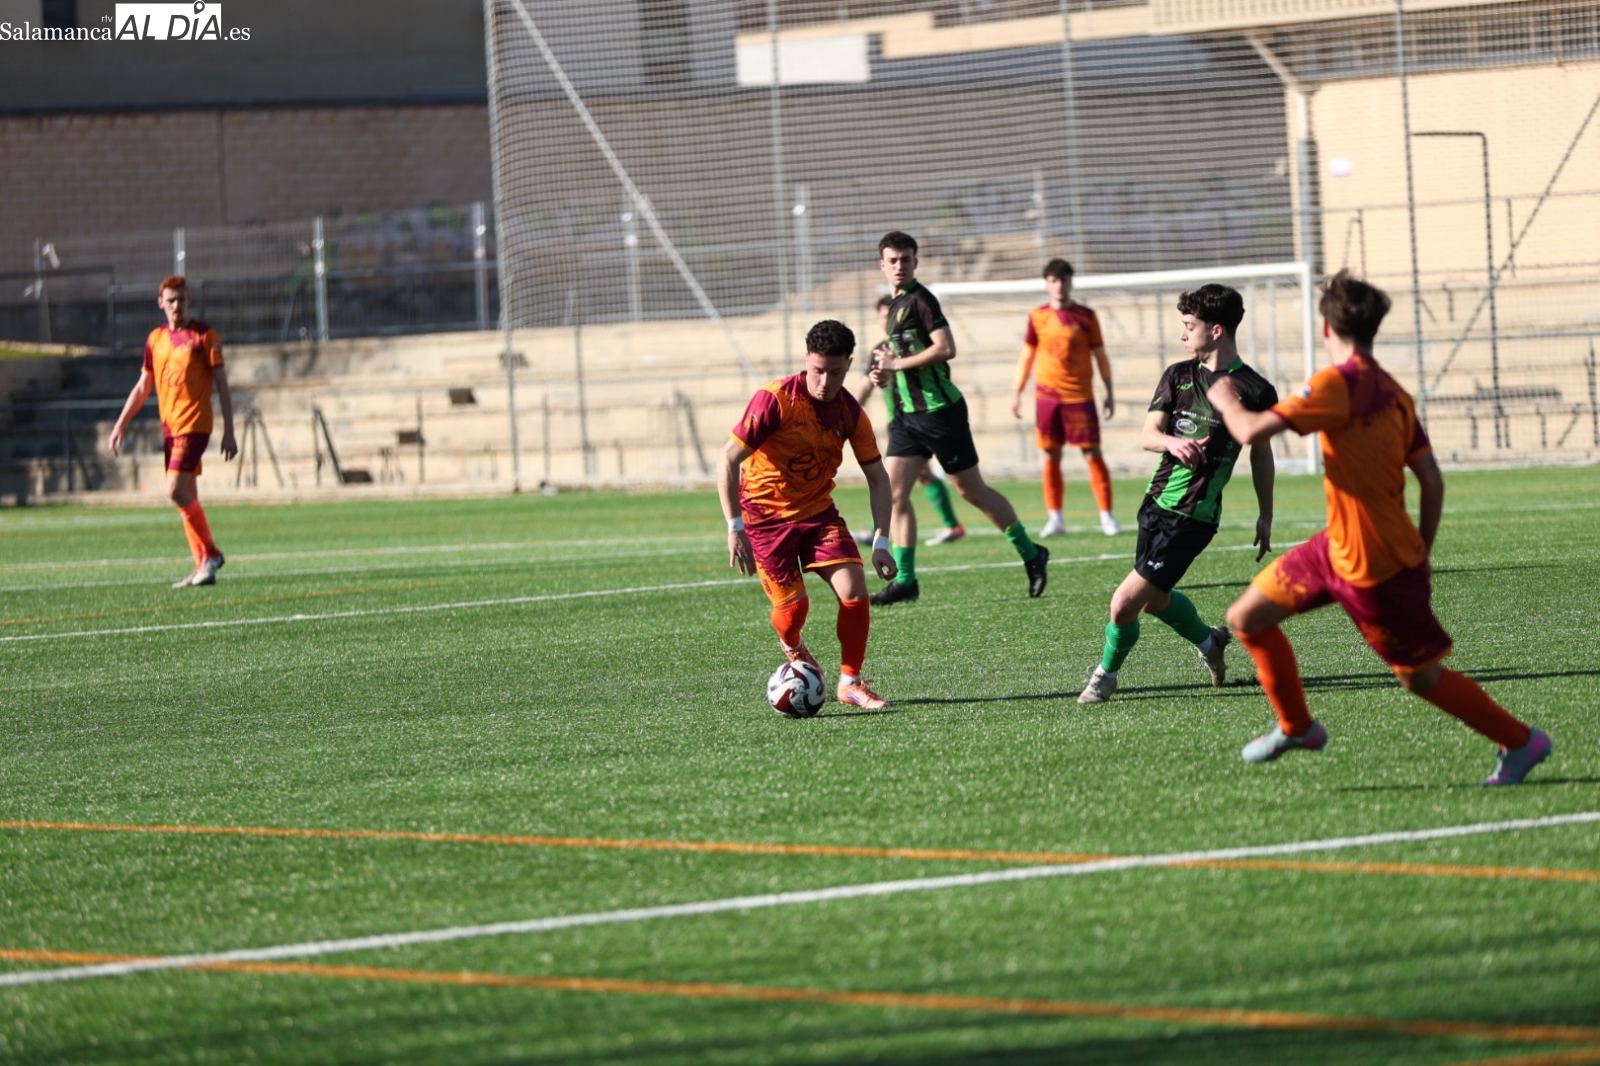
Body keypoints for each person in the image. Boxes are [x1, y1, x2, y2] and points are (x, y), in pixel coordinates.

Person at [1207, 270, 1551, 785]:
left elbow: (1251, 428)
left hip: (1377, 568)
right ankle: (1298, 727)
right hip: (1337, 549)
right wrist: (1422, 548)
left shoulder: (1336, 384)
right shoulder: (1395, 392)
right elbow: (1431, 480)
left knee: (1421, 679)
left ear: (1327, 327)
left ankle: (1522, 741)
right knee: (1247, 617)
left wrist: (1225, 397)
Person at [1078, 284, 1275, 705]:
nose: (1182, 334)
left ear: (1216, 330)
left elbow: (1261, 453)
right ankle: (1209, 641)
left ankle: (1104, 678)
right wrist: (1172, 443)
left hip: (1193, 518)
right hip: (1155, 504)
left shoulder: (1255, 390)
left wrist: (1266, 514)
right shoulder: (1177, 375)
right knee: (1154, 601)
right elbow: (1148, 434)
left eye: (1189, 326)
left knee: (1123, 604)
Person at [720, 319, 897, 710]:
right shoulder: (775, 399)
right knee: (793, 611)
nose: (825, 381)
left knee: (855, 592)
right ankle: (793, 646)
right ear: (806, 360)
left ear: (848, 365)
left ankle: (850, 682)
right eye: (818, 370)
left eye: (835, 372)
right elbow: (728, 459)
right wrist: (735, 527)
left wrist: (881, 540)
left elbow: (879, 478)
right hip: (765, 518)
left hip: (818, 514)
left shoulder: (850, 412)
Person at [869, 231, 1049, 605]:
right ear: (882, 265)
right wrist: (885, 374)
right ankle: (906, 581)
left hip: (940, 413)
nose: (900, 266)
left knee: (971, 490)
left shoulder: (921, 300)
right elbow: (903, 360)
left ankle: (1032, 553)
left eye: (906, 259)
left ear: (915, 262)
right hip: (907, 417)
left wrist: (897, 364)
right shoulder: (895, 305)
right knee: (894, 493)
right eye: (893, 260)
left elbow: (946, 347)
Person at [107, 275, 236, 588]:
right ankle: (201, 566)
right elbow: (143, 386)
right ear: (160, 303)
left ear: (188, 299)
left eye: (181, 299)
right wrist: (120, 424)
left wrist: (229, 430)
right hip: (170, 428)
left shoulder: (205, 336)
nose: (176, 305)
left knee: (174, 490)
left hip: (195, 425)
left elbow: (222, 385)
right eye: (171, 300)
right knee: (187, 496)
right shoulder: (155, 339)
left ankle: (212, 553)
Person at [1011, 259, 1120, 538]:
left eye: (1064, 280)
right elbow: (1027, 355)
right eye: (1054, 280)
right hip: (1047, 397)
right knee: (1050, 455)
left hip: (1079, 396)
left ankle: (1107, 517)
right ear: (1047, 284)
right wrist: (1017, 391)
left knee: (1092, 453)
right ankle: (1056, 518)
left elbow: (1100, 356)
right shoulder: (1038, 316)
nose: (1059, 285)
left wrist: (1109, 391)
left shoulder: (1087, 316)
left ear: (1071, 282)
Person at [854, 295, 966, 547]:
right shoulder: (880, 351)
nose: (887, 321)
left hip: (922, 420)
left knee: (899, 483)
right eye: (884, 316)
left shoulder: (915, 346)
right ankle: (952, 525)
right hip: (900, 424)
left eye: (891, 315)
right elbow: (865, 386)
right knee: (914, 479)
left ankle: (877, 531)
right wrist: (846, 413)